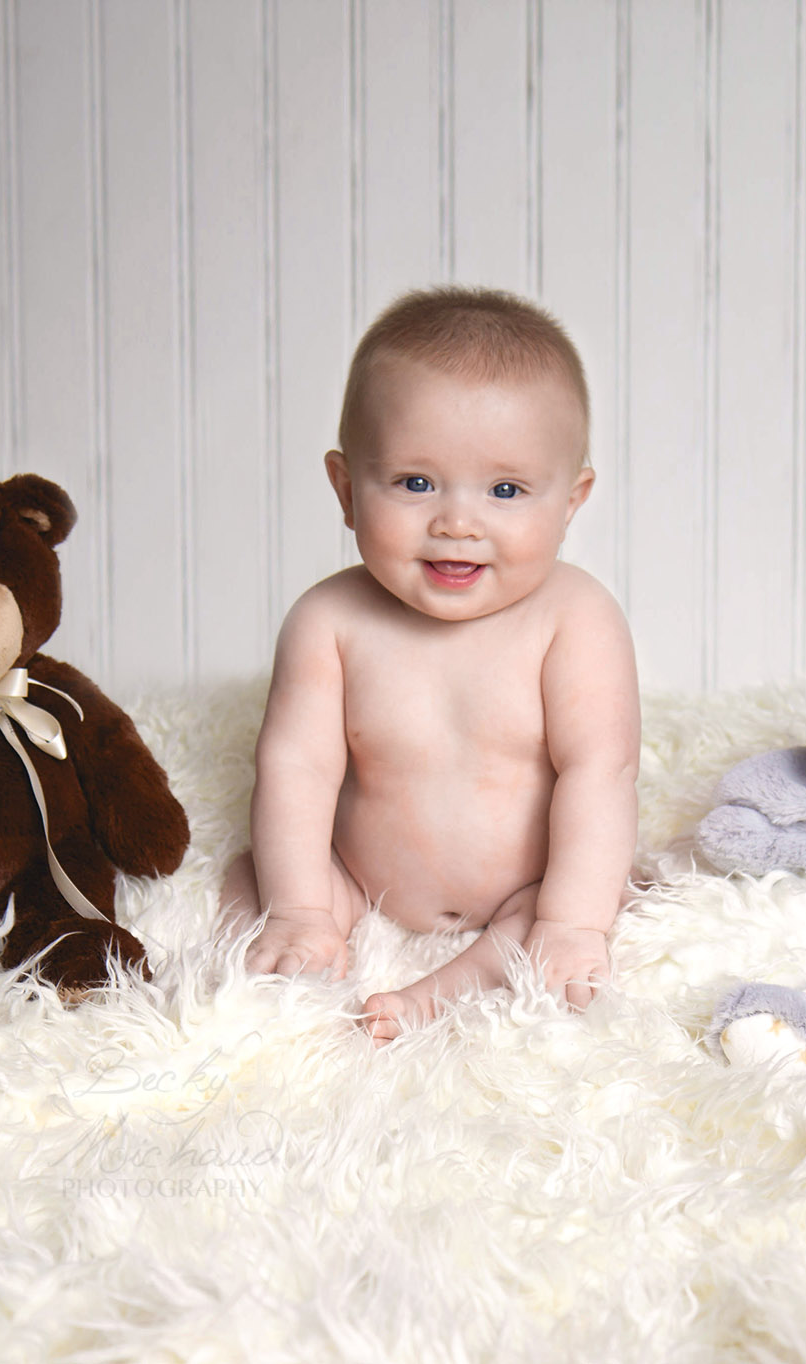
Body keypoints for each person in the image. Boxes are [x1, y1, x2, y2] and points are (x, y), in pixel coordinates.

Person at [219, 286, 640, 1042]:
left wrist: (573, 921)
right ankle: (299, 961)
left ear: (571, 501)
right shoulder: (329, 622)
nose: (456, 522)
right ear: (346, 490)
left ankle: (431, 997)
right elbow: (296, 769)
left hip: (523, 891)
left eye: (506, 489)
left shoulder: (576, 619)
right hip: (360, 883)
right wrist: (303, 906)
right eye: (415, 482)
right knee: (251, 881)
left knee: (565, 913)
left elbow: (599, 773)